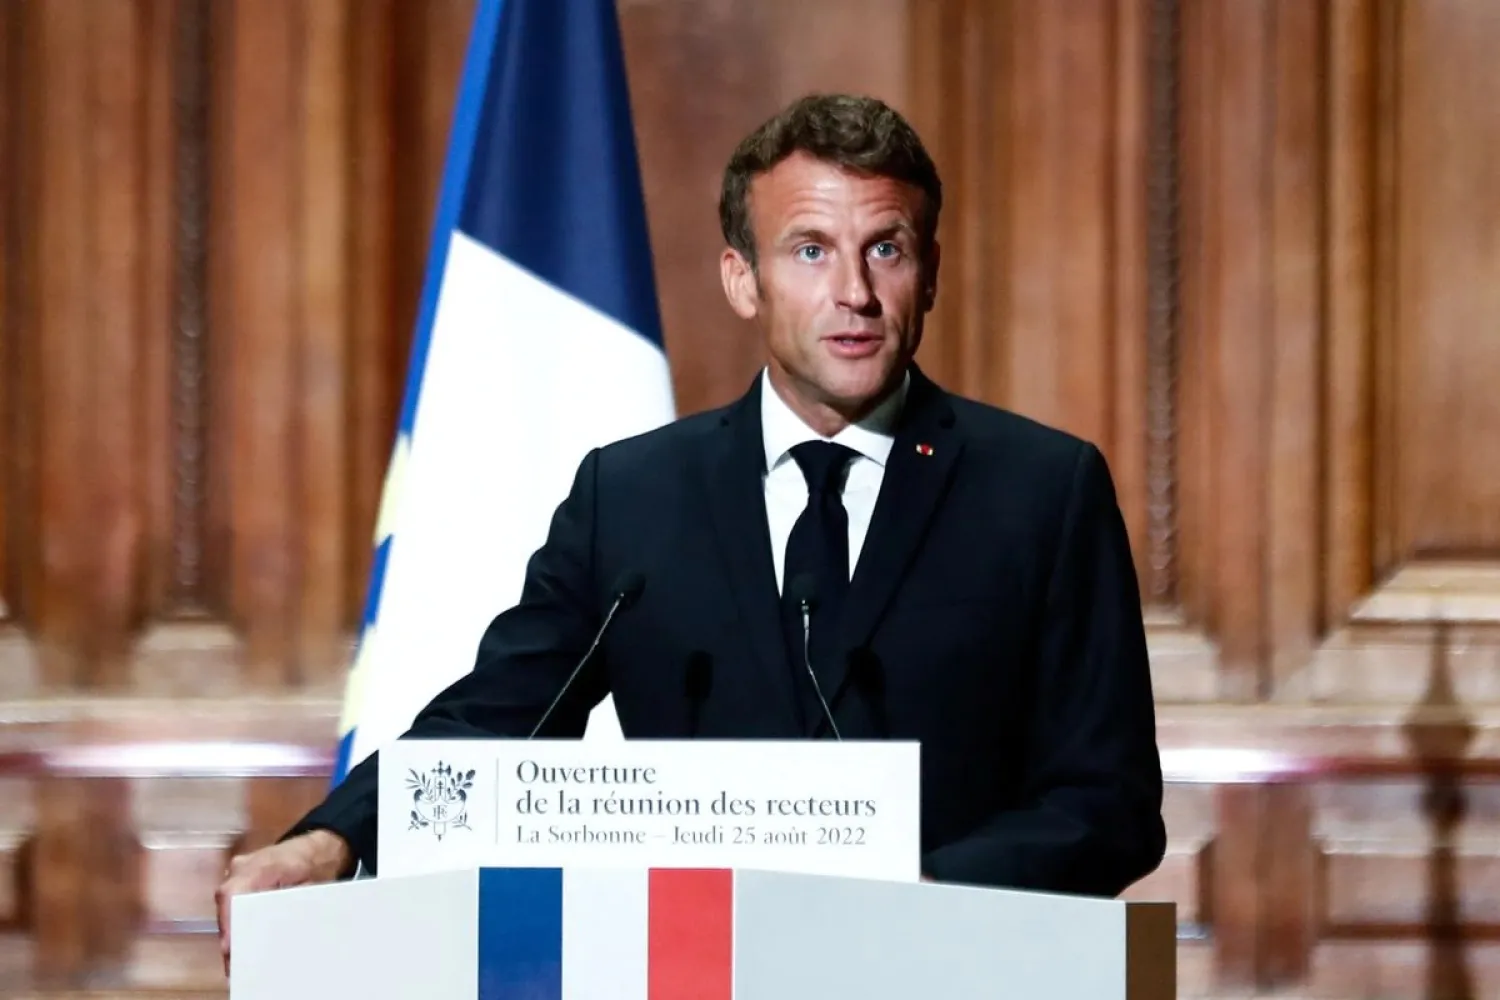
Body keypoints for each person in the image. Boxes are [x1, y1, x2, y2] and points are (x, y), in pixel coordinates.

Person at [216, 92, 1166, 965]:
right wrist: (330, 840)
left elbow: (1108, 803)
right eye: (809, 251)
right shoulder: (631, 495)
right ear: (741, 279)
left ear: (931, 273)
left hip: (954, 968)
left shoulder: (1043, 490)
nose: (855, 294)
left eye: (886, 248)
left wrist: (924, 896)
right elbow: (499, 720)